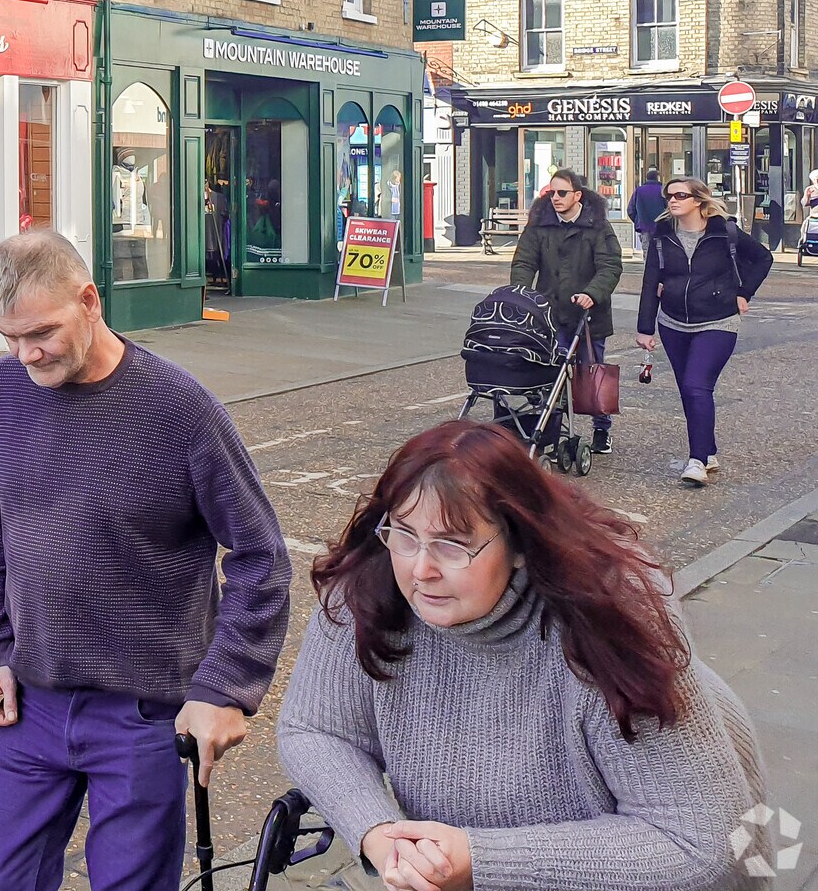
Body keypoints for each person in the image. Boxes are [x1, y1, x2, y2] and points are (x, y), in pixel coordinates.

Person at [278, 419, 767, 891]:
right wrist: (379, 834)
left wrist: (480, 861)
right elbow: (317, 727)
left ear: (520, 544)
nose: (421, 569)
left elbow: (701, 844)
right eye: (404, 535)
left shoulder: (614, 619)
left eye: (452, 544)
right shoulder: (370, 586)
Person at [0, 230, 289, 891]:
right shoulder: (2, 392)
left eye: (42, 332)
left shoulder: (180, 409)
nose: (27, 354)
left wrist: (225, 686)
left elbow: (262, 558)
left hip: (144, 717)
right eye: (10, 337)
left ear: (90, 301)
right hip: (33, 703)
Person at [635, 178, 773, 489]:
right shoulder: (662, 234)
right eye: (669, 196)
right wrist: (645, 328)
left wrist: (743, 293)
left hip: (718, 321)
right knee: (689, 389)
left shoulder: (724, 230)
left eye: (680, 195)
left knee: (697, 385)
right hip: (673, 322)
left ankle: (696, 460)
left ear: (698, 200)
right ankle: (708, 451)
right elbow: (650, 280)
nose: (672, 200)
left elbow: (763, 258)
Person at [511, 167, 622, 453]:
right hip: (549, 312)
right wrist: (522, 294)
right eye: (551, 193)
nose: (556, 198)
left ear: (577, 195)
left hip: (588, 315)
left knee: (592, 371)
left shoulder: (597, 226)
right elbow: (524, 262)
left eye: (562, 193)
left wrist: (592, 293)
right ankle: (551, 427)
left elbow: (610, 266)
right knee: (551, 371)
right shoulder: (539, 224)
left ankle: (602, 428)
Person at [624, 169, 666, 257]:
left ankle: (648, 269)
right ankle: (660, 269)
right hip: (661, 225)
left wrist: (637, 220)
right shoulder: (662, 190)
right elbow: (669, 208)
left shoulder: (639, 190)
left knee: (647, 251)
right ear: (657, 178)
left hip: (644, 226)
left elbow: (630, 209)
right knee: (660, 250)